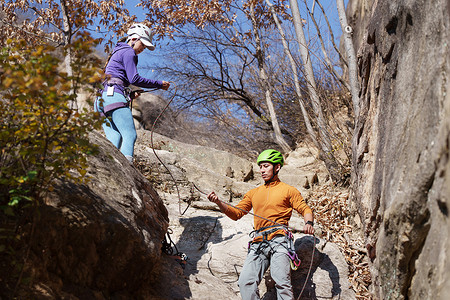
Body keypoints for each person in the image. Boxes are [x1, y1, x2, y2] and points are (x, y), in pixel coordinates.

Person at [207, 149, 314, 300]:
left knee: (281, 281)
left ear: (277, 167)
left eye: (265, 166)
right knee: (245, 281)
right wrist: (219, 203)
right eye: (260, 167)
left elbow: (305, 209)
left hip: (280, 240)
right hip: (258, 242)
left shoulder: (288, 190)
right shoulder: (253, 193)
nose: (261, 170)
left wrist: (308, 222)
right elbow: (236, 214)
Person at [94, 23, 170, 163]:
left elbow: (115, 79)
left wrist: (128, 95)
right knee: (129, 135)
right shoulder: (129, 52)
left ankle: (107, 166)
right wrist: (159, 84)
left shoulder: (117, 52)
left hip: (101, 100)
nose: (143, 48)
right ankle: (126, 169)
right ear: (134, 38)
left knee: (115, 138)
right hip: (113, 97)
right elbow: (134, 79)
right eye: (143, 44)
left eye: (146, 46)